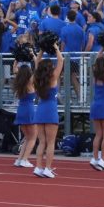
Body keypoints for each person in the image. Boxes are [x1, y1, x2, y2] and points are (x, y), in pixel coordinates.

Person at [31, 45, 64, 179]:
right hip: (50, 110)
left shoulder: (36, 79)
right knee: (50, 142)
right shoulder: (52, 78)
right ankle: (48, 168)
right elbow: (61, 60)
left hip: (40, 109)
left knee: (42, 142)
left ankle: (38, 167)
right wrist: (55, 47)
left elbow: (37, 62)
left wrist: (42, 50)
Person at [12, 60, 38, 169]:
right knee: (33, 137)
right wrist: (34, 56)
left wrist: (16, 60)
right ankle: (24, 159)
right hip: (29, 109)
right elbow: (37, 68)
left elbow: (15, 70)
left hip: (20, 110)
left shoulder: (19, 82)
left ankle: (19, 159)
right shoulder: (30, 82)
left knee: (27, 137)